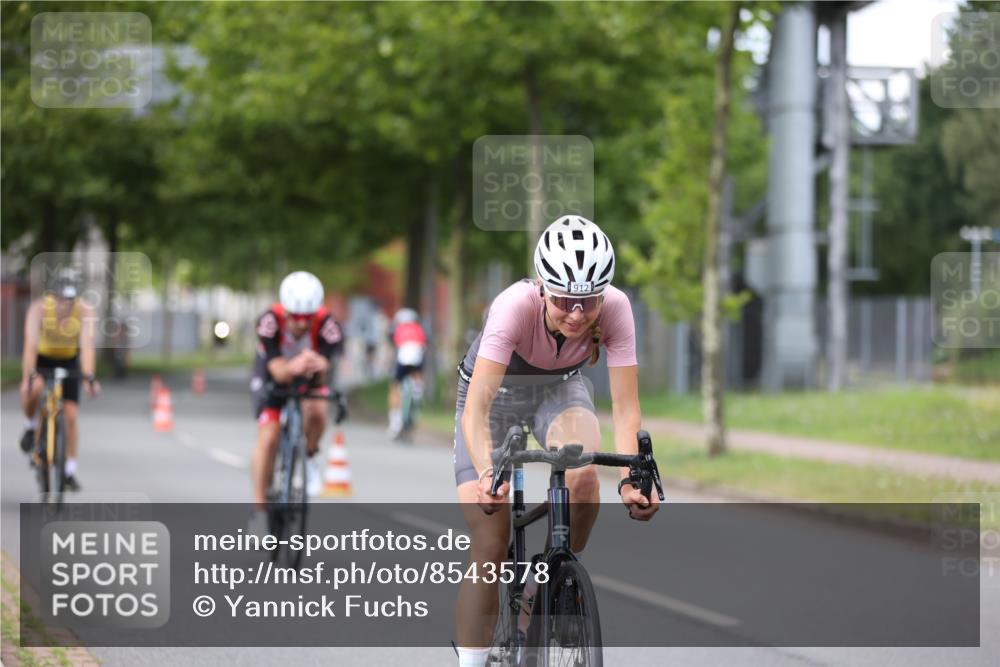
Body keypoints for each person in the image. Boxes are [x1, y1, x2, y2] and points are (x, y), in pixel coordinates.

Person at [452, 215, 659, 666]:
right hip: (494, 396)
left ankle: (555, 582)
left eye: (590, 301)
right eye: (566, 299)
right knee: (491, 539)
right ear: (543, 288)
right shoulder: (514, 306)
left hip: (558, 389)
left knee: (584, 474)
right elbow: (477, 409)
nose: (579, 314)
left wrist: (631, 479)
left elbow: (626, 408)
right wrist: (489, 471)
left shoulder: (617, 309)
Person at [249, 271, 344, 522]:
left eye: (308, 317)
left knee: (317, 411)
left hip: (308, 373)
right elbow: (278, 372)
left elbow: (326, 368)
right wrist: (294, 366)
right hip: (273, 372)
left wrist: (319, 364)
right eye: (296, 317)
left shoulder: (329, 326)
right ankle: (259, 512)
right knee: (268, 438)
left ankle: (309, 456)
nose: (302, 323)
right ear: (285, 311)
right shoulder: (268, 322)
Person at [19, 268, 101, 491]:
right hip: (42, 358)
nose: (66, 305)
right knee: (33, 389)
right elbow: (29, 347)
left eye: (70, 299)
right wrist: (30, 374)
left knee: (71, 415)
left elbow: (86, 346)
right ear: (52, 296)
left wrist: (89, 376)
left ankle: (69, 471)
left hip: (68, 361)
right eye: (62, 299)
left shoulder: (85, 311)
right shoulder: (38, 310)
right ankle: (30, 426)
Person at [387, 307, 427, 438]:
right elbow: (424, 346)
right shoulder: (419, 329)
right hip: (417, 357)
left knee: (395, 386)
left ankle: (394, 421)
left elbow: (394, 345)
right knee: (418, 376)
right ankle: (417, 391)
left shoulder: (398, 329)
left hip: (403, 357)